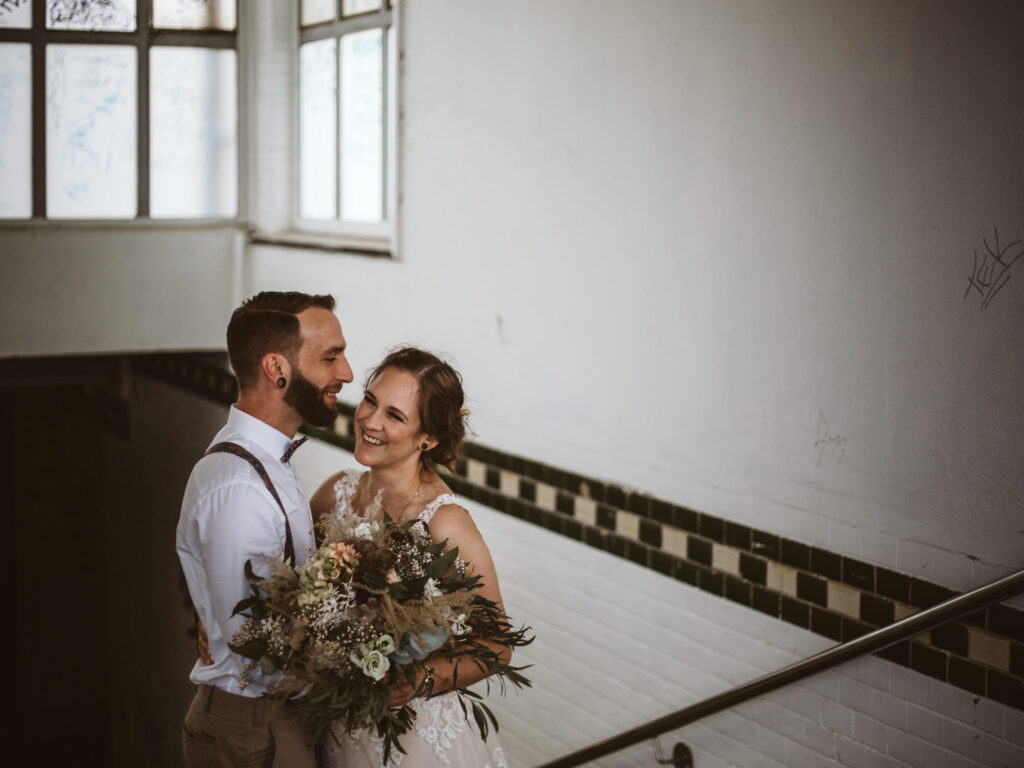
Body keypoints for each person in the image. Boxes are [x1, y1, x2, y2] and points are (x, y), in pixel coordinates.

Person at [309, 347, 511, 768]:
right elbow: (295, 588)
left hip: (414, 737)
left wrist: (417, 679)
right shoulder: (335, 493)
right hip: (338, 724)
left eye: (395, 416)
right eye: (370, 401)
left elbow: (497, 644)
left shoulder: (445, 522)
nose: (370, 421)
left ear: (428, 438)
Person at [177, 291, 353, 768]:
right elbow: (258, 647)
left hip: (271, 717)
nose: (347, 373)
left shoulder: (266, 461)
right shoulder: (241, 488)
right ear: (277, 369)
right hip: (256, 726)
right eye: (330, 357)